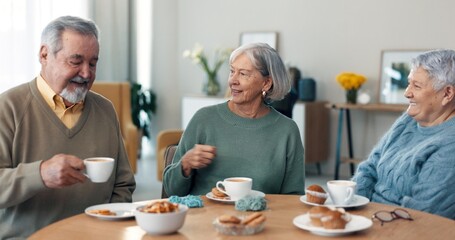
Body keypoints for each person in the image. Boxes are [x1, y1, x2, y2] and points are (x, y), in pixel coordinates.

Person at [0, 16, 136, 238]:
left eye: (93, 63)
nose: (86, 73)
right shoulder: (7, 108)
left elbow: (123, 184)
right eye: (76, 61)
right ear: (44, 55)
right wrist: (40, 174)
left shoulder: (105, 109)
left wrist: (108, 229)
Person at [163, 43, 304, 196]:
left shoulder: (287, 130)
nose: (232, 81)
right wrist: (185, 164)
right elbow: (171, 190)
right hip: (204, 217)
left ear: (266, 83)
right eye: (232, 71)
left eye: (243, 74)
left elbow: (293, 198)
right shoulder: (204, 119)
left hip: (261, 218)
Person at [352, 49, 455, 219]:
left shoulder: (450, 144)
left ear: (447, 93)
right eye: (409, 83)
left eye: (417, 86)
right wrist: (353, 207)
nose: (407, 92)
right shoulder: (408, 120)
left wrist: (368, 219)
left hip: (397, 227)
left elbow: (422, 215)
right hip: (365, 216)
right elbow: (369, 167)